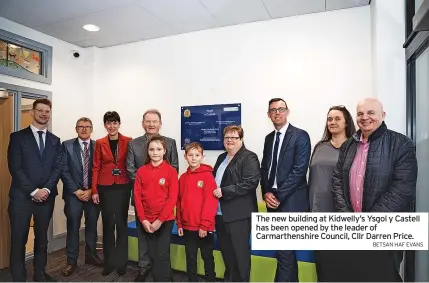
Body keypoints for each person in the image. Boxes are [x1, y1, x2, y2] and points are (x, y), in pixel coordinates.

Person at [332, 98, 418, 282]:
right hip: (353, 228)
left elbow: (402, 190)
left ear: (382, 115)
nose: (365, 118)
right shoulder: (348, 145)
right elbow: (338, 180)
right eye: (360, 113)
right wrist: (347, 215)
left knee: (383, 276)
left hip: (386, 230)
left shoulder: (401, 144)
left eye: (371, 113)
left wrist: (369, 224)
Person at [7, 98, 62, 282]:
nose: (44, 114)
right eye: (40, 110)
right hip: (21, 198)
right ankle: (19, 278)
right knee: (19, 240)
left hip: (46, 198)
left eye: (47, 111)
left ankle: (40, 274)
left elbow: (58, 168)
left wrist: (46, 189)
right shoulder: (17, 137)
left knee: (41, 240)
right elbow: (15, 168)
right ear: (32, 112)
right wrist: (33, 191)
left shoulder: (55, 141)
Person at [260, 98, 311, 282]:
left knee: (285, 251)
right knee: (283, 252)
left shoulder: (300, 136)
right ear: (268, 115)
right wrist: (266, 192)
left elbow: (299, 170)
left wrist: (278, 195)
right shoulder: (268, 139)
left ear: (287, 111)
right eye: (273, 110)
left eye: (281, 109)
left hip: (291, 201)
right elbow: (265, 169)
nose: (277, 113)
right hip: (272, 201)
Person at [126, 109, 179, 281]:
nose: (151, 124)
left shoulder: (170, 143)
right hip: (143, 202)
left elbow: (175, 169)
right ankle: (143, 268)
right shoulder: (134, 144)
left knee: (162, 249)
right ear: (143, 123)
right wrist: (147, 181)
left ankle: (163, 273)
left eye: (154, 121)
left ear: (160, 124)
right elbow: (130, 169)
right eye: (147, 121)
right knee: (144, 241)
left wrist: (157, 181)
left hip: (163, 204)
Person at [307, 106, 355, 281]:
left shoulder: (354, 147)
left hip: (342, 212)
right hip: (318, 212)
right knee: (322, 262)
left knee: (343, 263)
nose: (332, 122)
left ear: (346, 122)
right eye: (329, 119)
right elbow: (312, 178)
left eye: (337, 118)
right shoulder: (320, 146)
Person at [213, 125, 260, 282]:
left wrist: (225, 191)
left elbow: (250, 182)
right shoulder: (221, 158)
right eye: (227, 137)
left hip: (239, 216)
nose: (230, 140)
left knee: (240, 256)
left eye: (234, 137)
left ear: (241, 139)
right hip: (220, 215)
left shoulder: (249, 157)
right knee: (227, 254)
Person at [91, 111, 132, 276]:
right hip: (105, 186)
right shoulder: (100, 143)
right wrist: (94, 190)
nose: (112, 126)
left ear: (119, 124)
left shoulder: (128, 141)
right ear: (105, 125)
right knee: (108, 224)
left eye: (115, 123)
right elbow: (95, 166)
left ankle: (121, 262)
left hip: (123, 185)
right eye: (108, 123)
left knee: (121, 224)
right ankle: (109, 262)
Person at [60, 117, 103, 276]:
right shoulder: (67, 145)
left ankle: (91, 256)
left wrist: (92, 190)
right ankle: (71, 261)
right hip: (73, 194)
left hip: (93, 194)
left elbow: (101, 170)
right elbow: (63, 169)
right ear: (76, 128)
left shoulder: (98, 146)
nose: (84, 129)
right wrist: (76, 191)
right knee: (73, 228)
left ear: (92, 129)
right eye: (81, 127)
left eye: (87, 127)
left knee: (92, 226)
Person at [176, 142, 218, 282]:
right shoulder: (182, 178)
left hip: (203, 227)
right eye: (190, 155)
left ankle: (210, 279)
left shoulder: (208, 176)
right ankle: (192, 279)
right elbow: (179, 201)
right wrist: (180, 224)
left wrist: (204, 225)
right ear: (185, 157)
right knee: (191, 256)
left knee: (207, 256)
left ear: (202, 157)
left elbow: (211, 203)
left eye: (197, 155)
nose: (193, 158)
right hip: (188, 227)